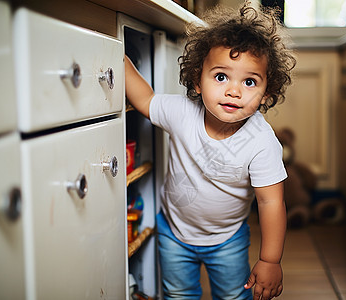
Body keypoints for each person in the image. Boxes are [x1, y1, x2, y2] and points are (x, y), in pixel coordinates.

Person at [125, 2, 296, 299]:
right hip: (174, 232)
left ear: (266, 93)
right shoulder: (182, 113)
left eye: (250, 81)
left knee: (232, 295)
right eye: (221, 77)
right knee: (178, 294)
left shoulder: (262, 141)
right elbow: (145, 100)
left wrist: (270, 260)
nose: (233, 91)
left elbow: (271, 203)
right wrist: (118, 58)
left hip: (228, 239)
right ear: (197, 80)